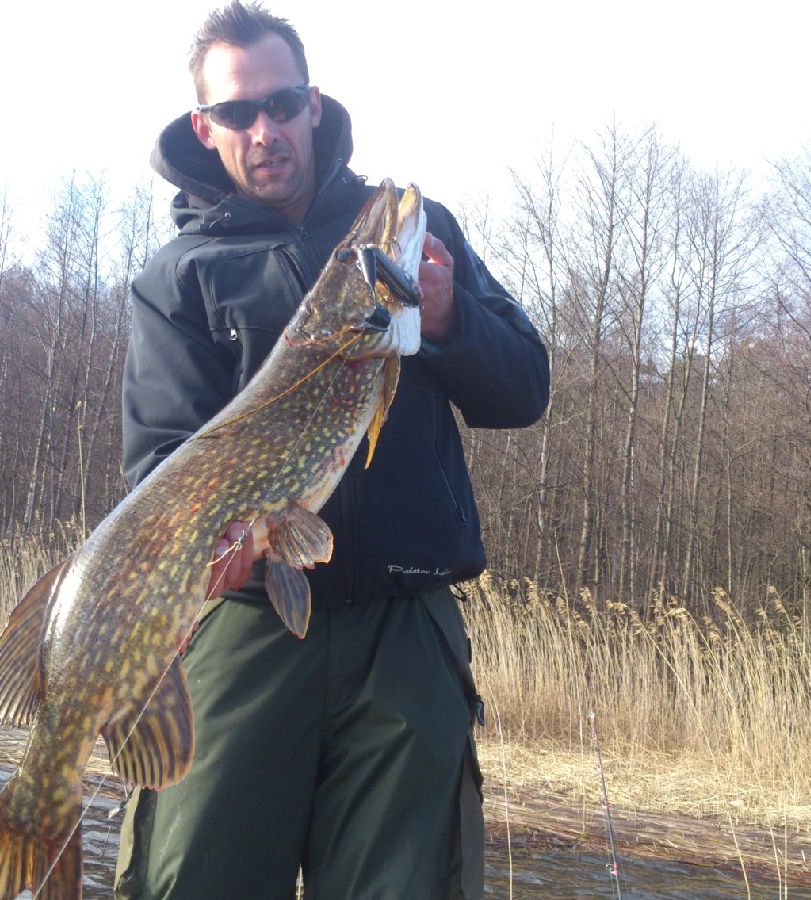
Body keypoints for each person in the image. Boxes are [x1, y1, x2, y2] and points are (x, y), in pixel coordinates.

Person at [114, 3, 549, 897]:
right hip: (243, 633)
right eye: (239, 114)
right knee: (194, 878)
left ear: (315, 104)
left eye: (284, 103)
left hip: (405, 631)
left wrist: (448, 319)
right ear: (206, 126)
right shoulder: (178, 279)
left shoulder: (418, 240)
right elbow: (160, 467)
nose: (265, 130)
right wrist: (220, 551)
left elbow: (523, 390)